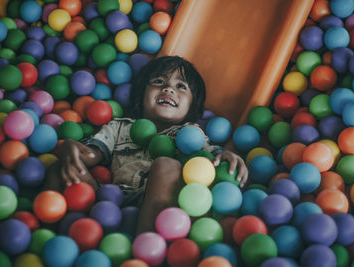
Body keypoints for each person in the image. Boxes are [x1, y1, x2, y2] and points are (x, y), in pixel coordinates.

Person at [45, 56, 248, 233]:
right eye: (159, 81)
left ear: (191, 106)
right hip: (109, 203)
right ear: (142, 94)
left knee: (165, 165)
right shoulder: (120, 126)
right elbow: (90, 156)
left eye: (181, 86)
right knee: (59, 167)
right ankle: (51, 237)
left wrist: (227, 156)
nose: (168, 88)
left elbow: (208, 163)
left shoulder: (190, 134)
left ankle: (145, 251)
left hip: (160, 207)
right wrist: (69, 148)